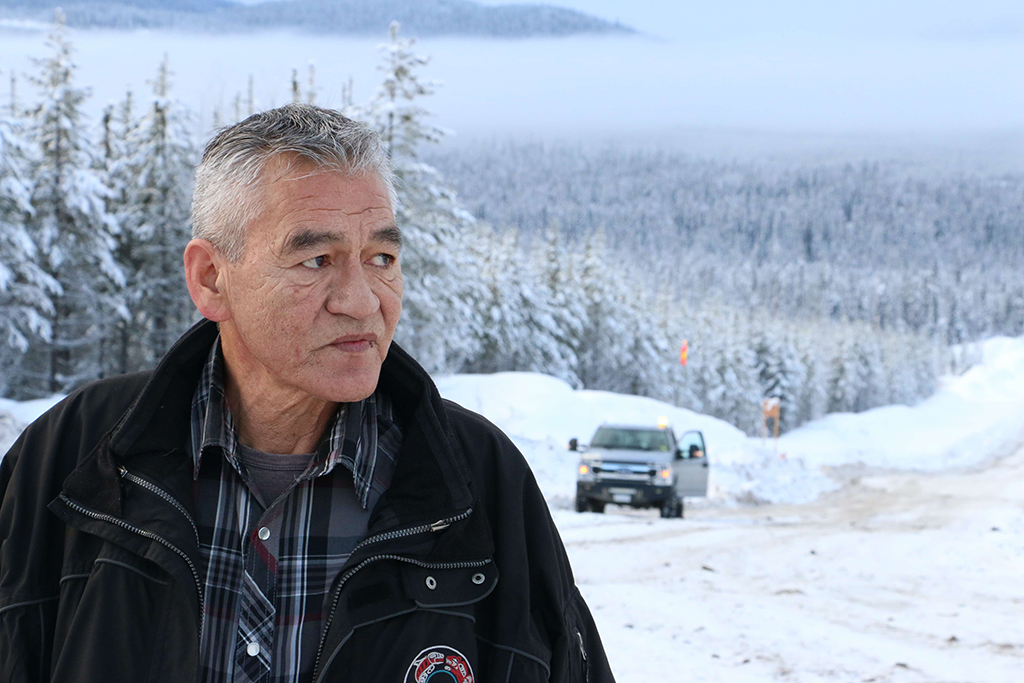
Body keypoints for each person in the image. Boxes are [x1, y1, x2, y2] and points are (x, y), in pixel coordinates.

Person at [0, 104, 614, 683]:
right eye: (317, 259)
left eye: (381, 257)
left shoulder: (476, 477)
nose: (363, 301)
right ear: (211, 278)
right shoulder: (78, 455)